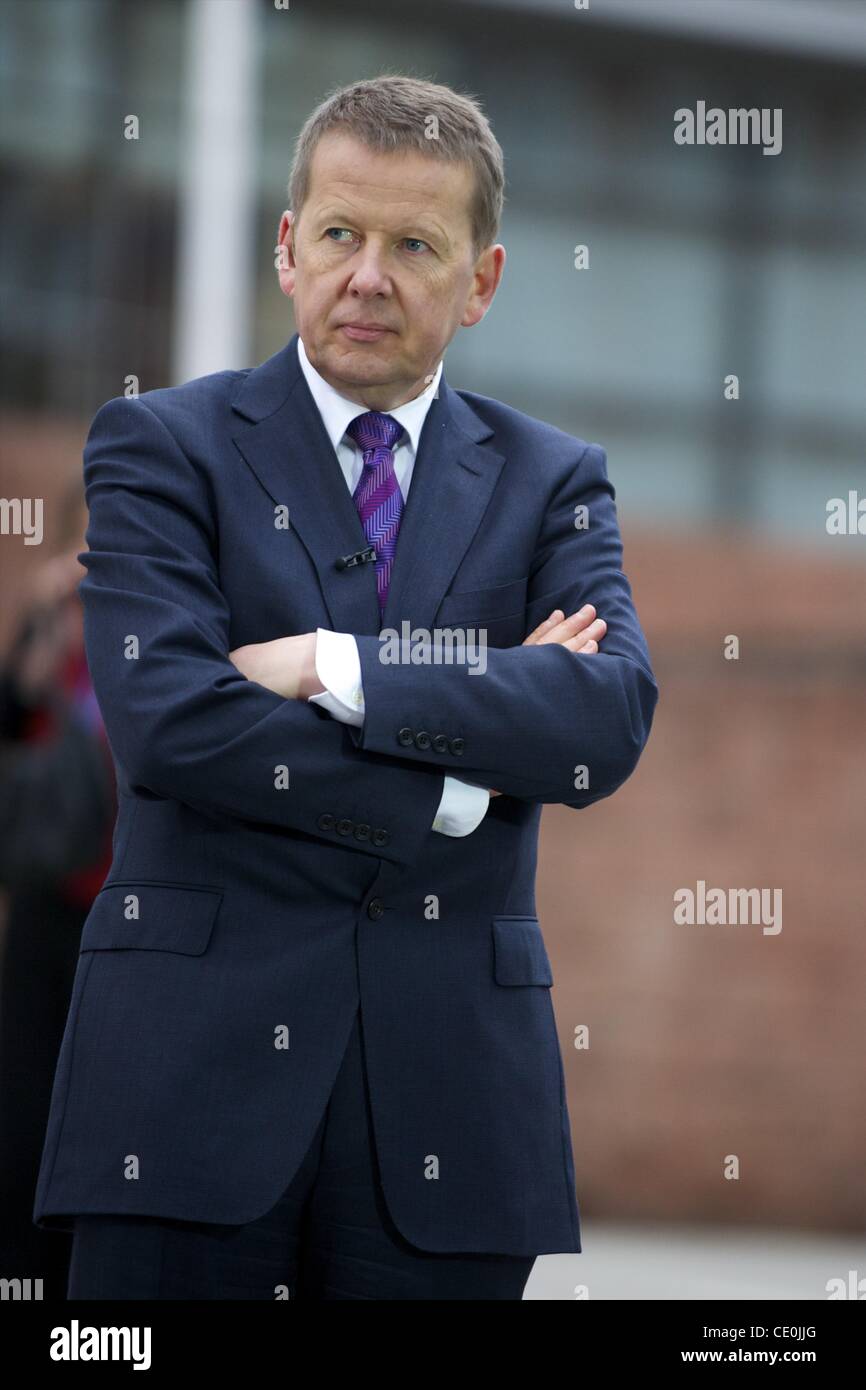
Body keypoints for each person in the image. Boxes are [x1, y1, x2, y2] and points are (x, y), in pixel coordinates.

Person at [33, 75, 658, 1300]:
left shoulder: (553, 481)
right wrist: (460, 786)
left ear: (477, 281)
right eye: (339, 234)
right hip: (180, 1104)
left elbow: (604, 719)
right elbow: (169, 726)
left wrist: (338, 667)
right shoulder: (161, 448)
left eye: (413, 245)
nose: (366, 275)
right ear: (287, 247)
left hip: (454, 1119)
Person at [0, 490, 115, 1301]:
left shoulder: (154, 635)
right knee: (22, 1118)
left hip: (126, 919)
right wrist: (39, 640)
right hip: (48, 906)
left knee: (105, 1130)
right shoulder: (55, 630)